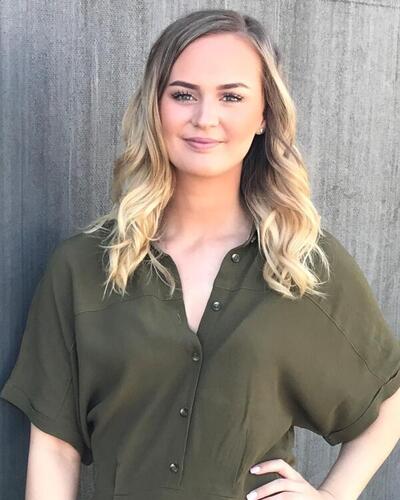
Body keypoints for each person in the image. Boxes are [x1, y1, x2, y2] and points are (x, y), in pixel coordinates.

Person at [1, 8, 400, 500]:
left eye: (231, 96)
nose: (205, 118)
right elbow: (54, 449)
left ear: (264, 115)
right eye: (183, 94)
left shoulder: (299, 263)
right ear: (155, 107)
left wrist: (334, 496)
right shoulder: (83, 267)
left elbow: (389, 401)